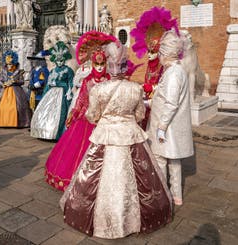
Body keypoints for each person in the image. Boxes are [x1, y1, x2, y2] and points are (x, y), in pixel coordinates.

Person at [60, 42, 172, 238]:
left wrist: (107, 119)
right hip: (130, 134)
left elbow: (92, 116)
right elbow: (139, 114)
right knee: (139, 180)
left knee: (94, 176)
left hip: (106, 134)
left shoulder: (98, 89)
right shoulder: (135, 89)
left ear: (109, 64)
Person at [45, 48, 111, 191]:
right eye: (96, 64)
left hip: (105, 119)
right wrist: (73, 114)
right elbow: (81, 100)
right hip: (87, 118)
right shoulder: (88, 79)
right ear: (93, 64)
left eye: (102, 64)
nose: (99, 67)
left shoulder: (109, 79)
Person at [146, 30, 194, 206]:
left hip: (167, 126)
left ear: (165, 54)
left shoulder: (173, 74)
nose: (158, 57)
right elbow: (163, 98)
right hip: (170, 125)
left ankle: (162, 193)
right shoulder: (175, 71)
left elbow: (171, 103)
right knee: (174, 161)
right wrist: (149, 103)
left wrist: (161, 126)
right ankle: (176, 195)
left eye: (160, 54)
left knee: (161, 159)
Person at [30, 41, 74, 140]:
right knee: (45, 112)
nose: (59, 61)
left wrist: (67, 92)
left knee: (61, 114)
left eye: (61, 59)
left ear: (64, 59)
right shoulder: (53, 70)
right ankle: (44, 132)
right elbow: (48, 83)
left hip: (62, 94)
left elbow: (71, 84)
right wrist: (45, 93)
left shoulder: (68, 70)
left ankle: (57, 133)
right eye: (57, 60)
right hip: (51, 94)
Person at [0, 50, 31, 128]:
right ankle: (0, 122)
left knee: (15, 107)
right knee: (1, 107)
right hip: (3, 91)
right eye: (8, 64)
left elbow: (22, 82)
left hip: (16, 92)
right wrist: (3, 84)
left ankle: (18, 122)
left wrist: (14, 81)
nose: (9, 65)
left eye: (10, 63)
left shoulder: (19, 72)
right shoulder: (2, 71)